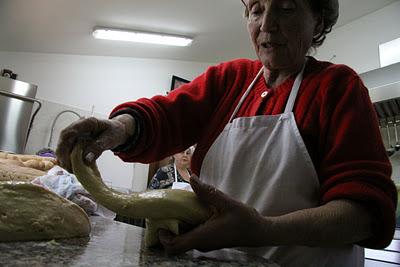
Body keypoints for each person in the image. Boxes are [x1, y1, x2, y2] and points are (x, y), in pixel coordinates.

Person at [56, 0, 397, 266]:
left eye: (287, 8)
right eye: (256, 9)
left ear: (318, 20)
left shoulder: (336, 87)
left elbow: (365, 215)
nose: (267, 24)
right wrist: (118, 128)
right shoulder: (230, 80)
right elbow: (163, 117)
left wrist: (264, 231)